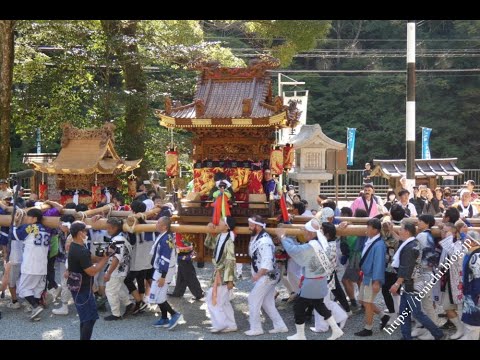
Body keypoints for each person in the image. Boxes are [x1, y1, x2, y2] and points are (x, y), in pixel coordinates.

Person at [278, 218, 344, 340]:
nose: (304, 234)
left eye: (306, 232)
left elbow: (294, 250)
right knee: (319, 306)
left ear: (311, 233)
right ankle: (336, 330)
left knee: (298, 306)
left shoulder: (312, 246)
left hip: (312, 282)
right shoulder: (322, 242)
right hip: (320, 280)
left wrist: (283, 237)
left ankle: (301, 335)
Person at [390, 220, 445, 340]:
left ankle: (438, 334)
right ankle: (406, 336)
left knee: (417, 312)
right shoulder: (412, 243)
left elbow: (406, 268)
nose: (399, 231)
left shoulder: (409, 247)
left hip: (412, 284)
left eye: (401, 229)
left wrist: (396, 284)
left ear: (407, 231)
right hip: (412, 282)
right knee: (404, 311)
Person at [245, 215, 287, 336]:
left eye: (251, 225)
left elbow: (267, 261)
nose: (249, 227)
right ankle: (280, 326)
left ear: (258, 227)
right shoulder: (258, 237)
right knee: (267, 302)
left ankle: (256, 328)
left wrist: (258, 275)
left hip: (268, 276)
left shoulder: (264, 241)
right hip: (268, 275)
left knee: (252, 298)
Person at [67, 221, 110, 340]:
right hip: (82, 290)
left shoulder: (78, 246)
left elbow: (91, 258)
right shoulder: (79, 250)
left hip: (83, 288)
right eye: (85, 231)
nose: (87, 233)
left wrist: (103, 255)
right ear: (80, 233)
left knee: (87, 318)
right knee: (89, 319)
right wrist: (105, 259)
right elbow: (92, 271)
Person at [13, 208, 51, 320]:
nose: (25, 218)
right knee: (35, 290)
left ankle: (36, 306)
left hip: (30, 264)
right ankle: (36, 313)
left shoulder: (31, 227)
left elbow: (15, 236)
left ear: (34, 218)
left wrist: (15, 223)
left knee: (23, 288)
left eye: (28, 216)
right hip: (42, 265)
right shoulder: (45, 229)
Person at [204, 217, 238, 333]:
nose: (219, 222)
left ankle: (220, 324)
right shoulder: (220, 236)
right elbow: (209, 244)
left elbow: (230, 260)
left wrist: (229, 280)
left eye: (222, 221)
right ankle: (231, 325)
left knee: (212, 298)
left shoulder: (229, 242)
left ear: (227, 226)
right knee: (224, 302)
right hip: (219, 273)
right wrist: (209, 231)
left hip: (223, 275)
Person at [354, 218, 387, 337]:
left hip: (373, 277)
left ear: (375, 230)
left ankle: (368, 328)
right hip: (367, 275)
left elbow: (379, 264)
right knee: (363, 300)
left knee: (367, 303)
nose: (366, 229)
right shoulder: (371, 239)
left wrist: (377, 281)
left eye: (368, 227)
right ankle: (383, 316)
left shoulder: (379, 245)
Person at [150, 216, 183, 330]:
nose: (156, 224)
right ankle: (164, 318)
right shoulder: (165, 236)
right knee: (159, 294)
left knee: (158, 296)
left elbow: (165, 259)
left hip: (164, 271)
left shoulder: (165, 239)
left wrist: (163, 276)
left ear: (164, 226)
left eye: (158, 222)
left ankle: (174, 314)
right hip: (160, 269)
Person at [103, 218, 134, 321]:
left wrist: (108, 272)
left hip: (117, 270)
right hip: (123, 268)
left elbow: (117, 258)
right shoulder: (123, 236)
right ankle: (128, 304)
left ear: (115, 227)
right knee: (118, 288)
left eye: (109, 228)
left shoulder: (117, 239)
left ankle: (116, 314)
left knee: (110, 290)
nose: (107, 230)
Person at [460, 231, 480, 340]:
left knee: (473, 322)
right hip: (471, 292)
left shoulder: (476, 255)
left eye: (466, 240)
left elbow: (479, 278)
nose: (463, 242)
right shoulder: (472, 252)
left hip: (474, 294)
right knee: (470, 320)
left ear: (472, 242)